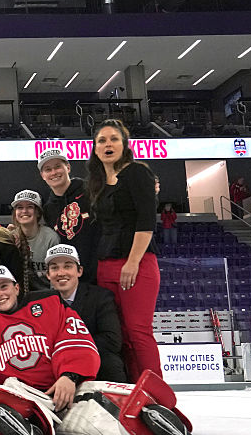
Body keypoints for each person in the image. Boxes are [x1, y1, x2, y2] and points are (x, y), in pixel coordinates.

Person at [0, 265, 205, 435]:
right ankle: (27, 427)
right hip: (25, 393)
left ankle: (157, 429)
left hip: (66, 387)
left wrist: (69, 376)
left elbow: (75, 337)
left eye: (3, 286)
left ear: (16, 287)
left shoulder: (50, 305)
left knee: (98, 403)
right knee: (6, 392)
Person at [87, 119, 162, 380]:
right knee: (119, 333)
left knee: (138, 330)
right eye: (102, 141)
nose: (108, 144)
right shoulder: (97, 183)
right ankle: (131, 388)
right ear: (95, 149)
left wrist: (132, 262)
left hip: (135, 262)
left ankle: (156, 394)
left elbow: (146, 219)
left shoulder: (137, 172)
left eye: (114, 139)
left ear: (124, 144)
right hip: (105, 265)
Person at [45, 244, 126, 382]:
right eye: (54, 268)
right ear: (48, 275)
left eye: (68, 266)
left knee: (111, 362)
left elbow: (112, 340)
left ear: (79, 271)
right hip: (55, 365)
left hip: (93, 362)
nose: (61, 272)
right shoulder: (40, 302)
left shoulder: (100, 297)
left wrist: (72, 350)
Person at [39, 148, 99, 284]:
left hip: (100, 271)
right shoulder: (48, 208)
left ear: (68, 167)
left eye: (58, 167)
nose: (54, 172)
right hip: (72, 278)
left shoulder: (90, 190)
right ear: (42, 175)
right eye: (48, 169)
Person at [11, 189, 60, 290]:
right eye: (20, 207)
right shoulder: (11, 238)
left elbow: (57, 275)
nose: (24, 211)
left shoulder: (50, 238)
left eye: (30, 207)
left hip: (47, 294)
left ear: (38, 212)